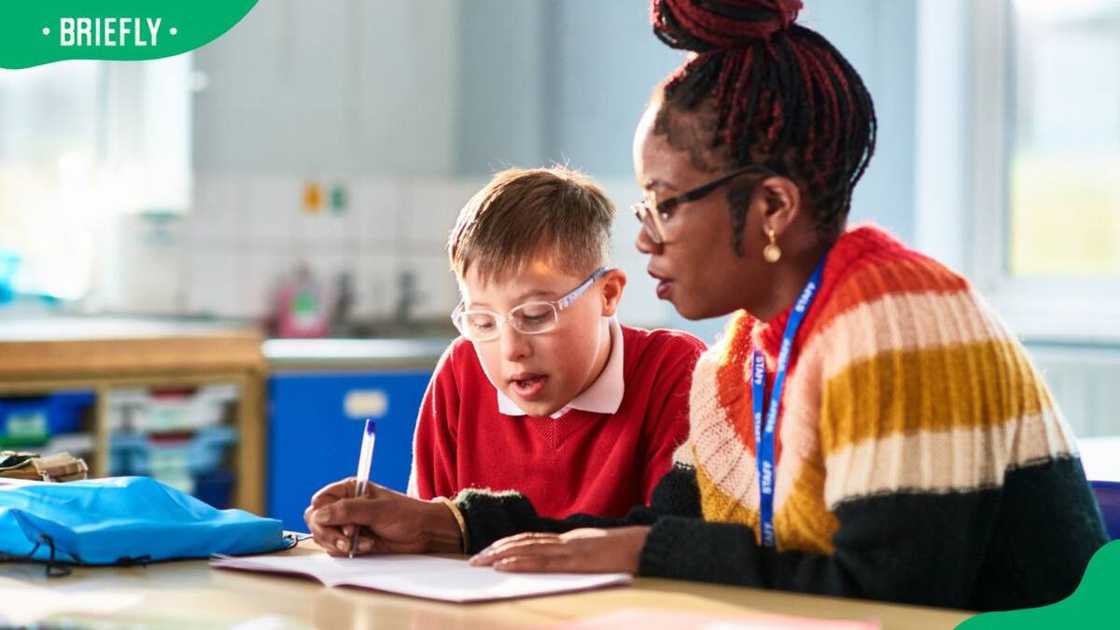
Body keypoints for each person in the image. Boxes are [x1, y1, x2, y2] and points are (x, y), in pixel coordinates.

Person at [305, 0, 1107, 611]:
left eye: (664, 203)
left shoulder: (895, 322)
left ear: (772, 209)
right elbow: (648, 529)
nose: (644, 236)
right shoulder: (741, 359)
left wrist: (637, 554)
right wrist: (444, 526)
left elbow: (887, 597)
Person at [381, 167, 706, 522]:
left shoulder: (675, 370)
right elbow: (429, 537)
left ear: (607, 293)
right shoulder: (462, 370)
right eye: (483, 322)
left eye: (535, 316)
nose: (510, 349)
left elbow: (669, 543)